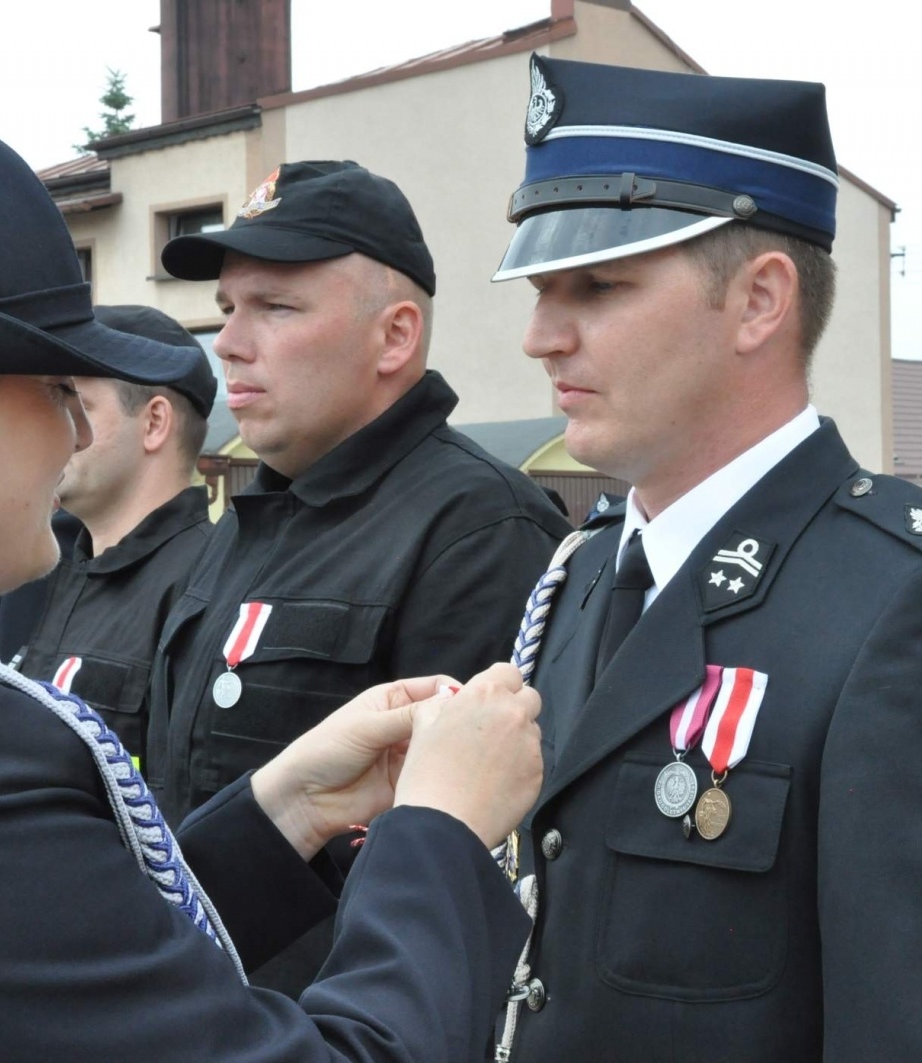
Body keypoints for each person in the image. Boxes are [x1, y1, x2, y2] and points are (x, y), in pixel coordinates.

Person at [0, 101, 543, 1062]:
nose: (74, 431)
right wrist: (440, 830)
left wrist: (282, 815)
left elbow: (33, 958)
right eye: (55, 388)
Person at [485, 56, 922, 1063]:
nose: (541, 336)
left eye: (596, 284)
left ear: (760, 300)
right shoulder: (582, 573)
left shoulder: (921, 610)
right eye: (543, 288)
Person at [153, 160, 572, 992]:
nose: (230, 341)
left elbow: (462, 859)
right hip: (193, 1008)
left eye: (276, 307)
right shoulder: (241, 524)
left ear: (395, 335)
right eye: (228, 308)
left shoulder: (478, 530)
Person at [10, 304, 218, 763]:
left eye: (76, 404)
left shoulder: (209, 588)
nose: (58, 430)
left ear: (154, 423)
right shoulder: (39, 571)